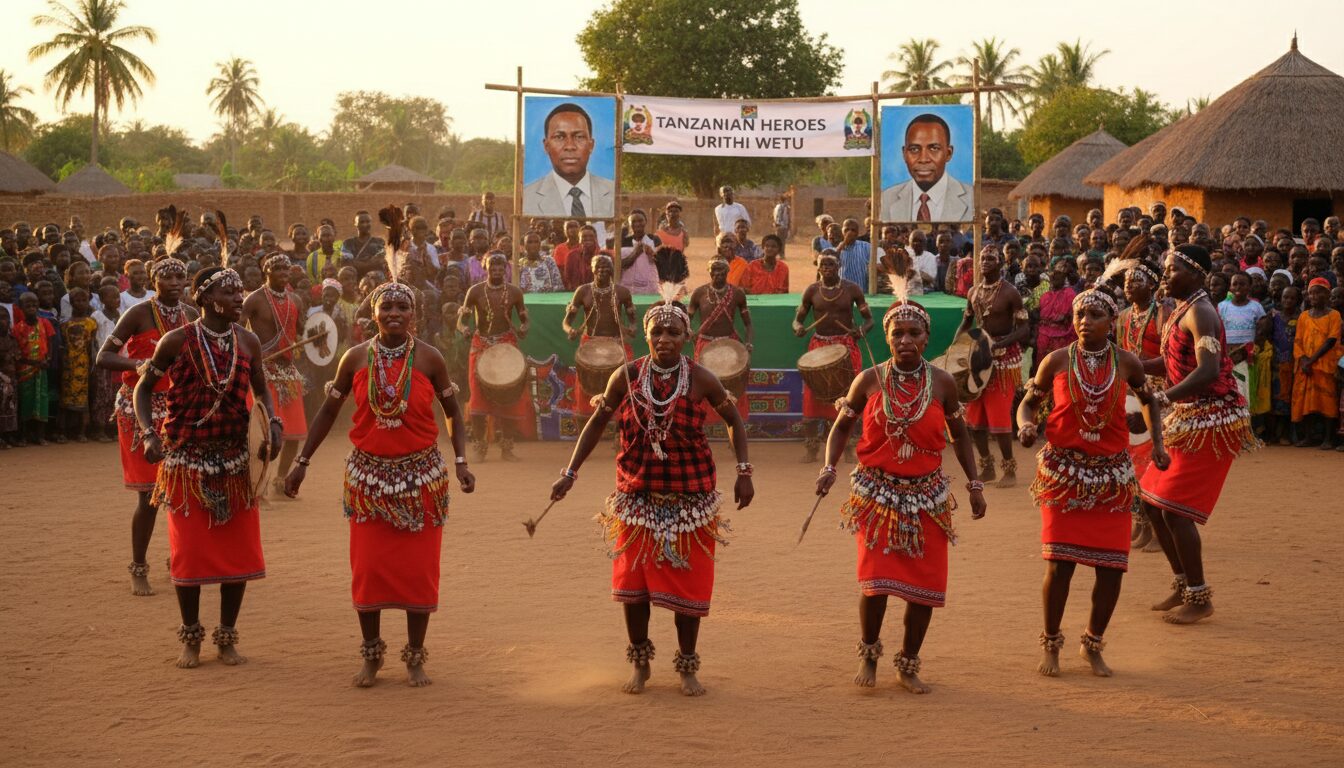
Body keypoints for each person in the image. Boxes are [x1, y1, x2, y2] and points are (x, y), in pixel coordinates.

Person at [549, 297, 754, 696]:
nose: (664, 339)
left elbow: (734, 421)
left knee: (686, 590)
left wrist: (744, 472)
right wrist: (569, 473)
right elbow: (596, 423)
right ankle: (640, 663)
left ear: (686, 336)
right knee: (634, 587)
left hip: (689, 501)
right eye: (657, 332)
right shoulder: (625, 376)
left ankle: (686, 666)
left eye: (673, 332)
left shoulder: (702, 379)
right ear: (645, 335)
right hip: (636, 497)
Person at [284, 278, 475, 687]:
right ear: (372, 314)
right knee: (368, 569)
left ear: (414, 315)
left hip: (421, 480)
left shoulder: (430, 359)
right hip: (369, 483)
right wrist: (302, 461)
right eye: (385, 307)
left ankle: (415, 657)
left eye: (401, 308)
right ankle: (371, 655)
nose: (393, 313)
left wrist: (460, 461)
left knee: (418, 571)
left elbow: (454, 412)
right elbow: (327, 414)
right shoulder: (353, 358)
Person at [815, 292, 986, 693]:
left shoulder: (943, 383)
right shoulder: (869, 379)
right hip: (878, 496)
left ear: (927, 338)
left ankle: (908, 665)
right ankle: (869, 654)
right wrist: (828, 467)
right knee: (876, 583)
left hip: (928, 499)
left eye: (914, 333)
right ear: (887, 338)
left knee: (924, 589)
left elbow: (960, 436)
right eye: (898, 333)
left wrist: (975, 484)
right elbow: (841, 427)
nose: (906, 340)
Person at [1017, 285, 1167, 677]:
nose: (1085, 322)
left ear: (1111, 322)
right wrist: (1026, 425)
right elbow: (1029, 401)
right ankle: (1051, 644)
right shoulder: (1056, 361)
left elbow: (1149, 400)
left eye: (1095, 315)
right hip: (1064, 475)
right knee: (1060, 565)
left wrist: (1158, 442)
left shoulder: (1128, 363)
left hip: (1111, 478)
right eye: (1080, 315)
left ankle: (1092, 643)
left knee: (1112, 568)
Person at [136, 266, 279, 669]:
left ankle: (227, 636)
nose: (240, 297)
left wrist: (274, 423)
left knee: (237, 557)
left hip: (237, 463)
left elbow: (262, 390)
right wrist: (148, 433)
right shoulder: (176, 341)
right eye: (230, 291)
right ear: (206, 298)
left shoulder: (248, 341)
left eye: (241, 291)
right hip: (187, 464)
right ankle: (192, 637)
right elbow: (143, 388)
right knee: (191, 556)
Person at [1139, 244, 1259, 625]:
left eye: (1173, 269)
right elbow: (1174, 362)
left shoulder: (1202, 312)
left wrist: (1161, 397)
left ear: (1195, 273)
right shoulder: (1182, 309)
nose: (1165, 275)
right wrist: (1131, 366)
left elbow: (1207, 370)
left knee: (1174, 508)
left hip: (1213, 418)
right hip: (1189, 414)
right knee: (1149, 502)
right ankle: (1182, 584)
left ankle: (1199, 595)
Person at [97, 257, 197, 595]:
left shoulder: (191, 316)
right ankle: (138, 566)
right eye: (166, 278)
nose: (173, 283)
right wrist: (137, 363)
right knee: (149, 496)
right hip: (139, 410)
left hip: (177, 409)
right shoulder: (138, 314)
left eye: (179, 277)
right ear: (154, 281)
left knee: (180, 488)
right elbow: (103, 358)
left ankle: (177, 559)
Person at [956, 244, 1029, 486]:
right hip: (978, 358)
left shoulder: (1010, 293)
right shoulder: (973, 292)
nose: (985, 261)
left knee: (998, 417)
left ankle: (1009, 470)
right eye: (982, 258)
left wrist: (999, 344)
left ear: (1000, 263)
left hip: (1004, 361)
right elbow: (966, 322)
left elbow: (1024, 329)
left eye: (991, 258)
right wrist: (956, 346)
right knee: (974, 420)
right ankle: (986, 466)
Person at [793, 251, 873, 462]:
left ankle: (849, 450)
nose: (826, 268)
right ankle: (811, 450)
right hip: (819, 347)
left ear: (838, 265)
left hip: (846, 346)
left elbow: (869, 320)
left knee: (850, 397)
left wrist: (861, 331)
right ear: (817, 267)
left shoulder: (852, 289)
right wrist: (799, 327)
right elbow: (798, 319)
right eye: (823, 265)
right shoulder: (811, 291)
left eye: (831, 264)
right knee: (812, 399)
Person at [242, 253, 308, 493]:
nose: (284, 273)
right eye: (278, 269)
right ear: (266, 272)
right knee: (263, 433)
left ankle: (280, 480)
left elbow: (302, 331)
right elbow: (237, 330)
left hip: (288, 372)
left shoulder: (296, 300)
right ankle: (258, 481)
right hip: (262, 371)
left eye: (287, 269)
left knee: (293, 433)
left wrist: (319, 335)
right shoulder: (254, 300)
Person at [459, 252, 531, 461]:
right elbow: (462, 320)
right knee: (478, 399)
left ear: (506, 269)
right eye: (493, 266)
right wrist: (464, 328)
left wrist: (524, 327)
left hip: (506, 344)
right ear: (485, 267)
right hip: (481, 345)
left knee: (510, 398)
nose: (497, 270)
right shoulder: (475, 291)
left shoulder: (515, 292)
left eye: (501, 266)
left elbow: (524, 319)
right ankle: (480, 448)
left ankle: (506, 449)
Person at [563, 254, 635, 426]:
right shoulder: (583, 291)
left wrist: (632, 328)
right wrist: (570, 330)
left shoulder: (622, 292)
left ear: (612, 269)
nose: (602, 270)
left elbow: (633, 320)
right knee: (584, 391)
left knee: (623, 388)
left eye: (606, 266)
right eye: (599, 266)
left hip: (616, 344)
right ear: (592, 269)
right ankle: (584, 435)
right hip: (590, 344)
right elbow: (567, 322)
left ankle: (621, 436)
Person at [523, 104, 614, 219]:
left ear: (591, 145)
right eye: (559, 137)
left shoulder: (615, 193)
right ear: (546, 146)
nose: (570, 146)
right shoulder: (526, 198)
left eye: (579, 137)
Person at [882, 114, 973, 223]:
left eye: (934, 148)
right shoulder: (887, 198)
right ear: (904, 154)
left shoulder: (971, 198)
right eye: (914, 149)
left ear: (948, 153)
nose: (923, 159)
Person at [1291, 278, 1342, 447]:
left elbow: (1331, 340)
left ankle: (1328, 438)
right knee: (1306, 401)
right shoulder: (1303, 316)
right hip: (1305, 366)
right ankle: (1308, 436)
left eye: (1319, 292)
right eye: (1311, 292)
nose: (1314, 296)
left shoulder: (1334, 315)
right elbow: (1298, 340)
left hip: (1324, 364)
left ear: (1327, 295)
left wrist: (1311, 360)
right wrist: (1304, 360)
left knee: (1327, 401)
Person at [12, 292, 55, 446]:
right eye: (27, 305)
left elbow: (50, 343)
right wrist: (33, 363)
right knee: (26, 401)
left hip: (42, 368)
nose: (32, 308)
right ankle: (23, 436)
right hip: (25, 369)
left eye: (34, 305)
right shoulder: (17, 329)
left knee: (42, 400)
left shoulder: (45, 323)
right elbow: (17, 352)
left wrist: (48, 359)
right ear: (20, 308)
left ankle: (40, 436)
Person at [1219, 272, 1268, 403]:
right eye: (1235, 284)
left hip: (1247, 355)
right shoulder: (1223, 306)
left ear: (1249, 287)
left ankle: (1246, 416)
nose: (1238, 287)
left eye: (1242, 284)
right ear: (1230, 287)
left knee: (1245, 387)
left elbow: (1262, 329)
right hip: (1227, 354)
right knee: (1229, 387)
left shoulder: (1256, 307)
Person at [60, 287, 97, 442]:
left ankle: (82, 432)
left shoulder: (91, 323)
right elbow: (62, 347)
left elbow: (92, 347)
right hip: (68, 367)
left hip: (83, 365)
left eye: (84, 300)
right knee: (64, 400)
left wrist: (92, 366)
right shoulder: (65, 324)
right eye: (77, 300)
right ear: (71, 302)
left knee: (83, 400)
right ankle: (63, 432)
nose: (81, 303)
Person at [618, 210, 661, 295]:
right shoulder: (623, 241)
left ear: (646, 222)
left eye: (640, 221)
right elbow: (620, 265)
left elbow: (662, 263)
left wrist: (652, 254)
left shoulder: (654, 240)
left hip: (649, 288)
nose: (637, 224)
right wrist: (636, 253)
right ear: (629, 224)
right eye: (633, 221)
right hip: (627, 288)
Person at [342, 211, 386, 277]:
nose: (365, 224)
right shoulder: (348, 243)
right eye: (361, 222)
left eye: (368, 222)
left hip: (375, 278)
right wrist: (371, 262)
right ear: (355, 224)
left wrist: (357, 262)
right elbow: (348, 263)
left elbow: (380, 261)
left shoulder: (379, 242)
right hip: (354, 279)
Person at [836, 219, 872, 293]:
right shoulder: (835, 247)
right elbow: (831, 260)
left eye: (853, 230)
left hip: (861, 291)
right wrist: (844, 243)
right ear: (842, 231)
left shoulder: (866, 247)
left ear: (858, 233)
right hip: (841, 293)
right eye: (847, 229)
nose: (850, 232)